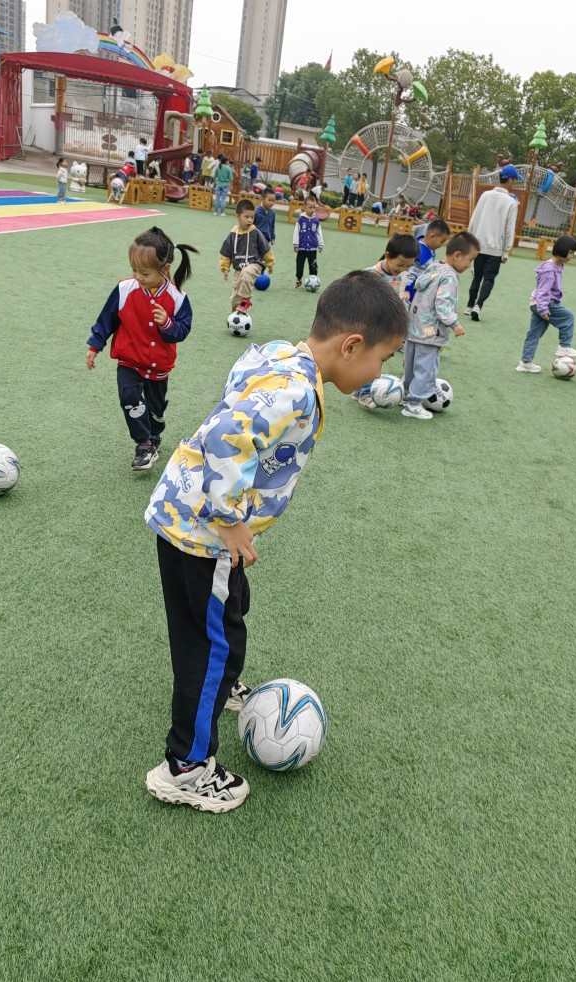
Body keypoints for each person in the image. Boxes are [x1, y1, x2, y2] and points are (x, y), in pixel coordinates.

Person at [143, 271, 409, 812]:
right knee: (209, 647)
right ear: (351, 345)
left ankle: (223, 689)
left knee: (228, 613)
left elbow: (235, 405)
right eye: (383, 359)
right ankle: (186, 769)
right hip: (205, 532)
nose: (380, 373)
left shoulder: (280, 356)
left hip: (185, 514)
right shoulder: (295, 391)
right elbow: (227, 437)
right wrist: (229, 518)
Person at [85, 228, 198, 470]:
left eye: (144, 272)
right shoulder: (124, 289)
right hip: (129, 360)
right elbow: (107, 318)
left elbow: (183, 331)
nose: (137, 276)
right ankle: (143, 445)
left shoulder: (178, 297)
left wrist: (167, 324)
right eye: (133, 269)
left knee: (156, 410)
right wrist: (95, 344)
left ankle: (155, 432)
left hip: (159, 365)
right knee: (129, 399)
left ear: (165, 269)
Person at [401, 232, 479, 420]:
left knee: (410, 366)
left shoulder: (433, 267)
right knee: (427, 369)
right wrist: (454, 323)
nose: (469, 265)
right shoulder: (449, 277)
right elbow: (443, 304)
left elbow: (418, 284)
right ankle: (414, 404)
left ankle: (405, 396)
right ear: (457, 255)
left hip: (414, 328)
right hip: (430, 332)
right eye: (470, 260)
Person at [354, 233, 421, 409]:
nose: (403, 269)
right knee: (373, 360)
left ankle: (358, 390)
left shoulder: (401, 275)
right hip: (369, 327)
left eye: (408, 266)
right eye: (400, 264)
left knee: (373, 359)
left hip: (385, 328)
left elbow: (398, 299)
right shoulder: (371, 275)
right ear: (388, 256)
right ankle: (365, 393)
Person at [516, 235, 576, 373]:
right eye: (570, 252)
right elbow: (543, 291)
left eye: (573, 253)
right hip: (544, 303)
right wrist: (543, 309)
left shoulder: (558, 265)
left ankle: (525, 363)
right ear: (562, 250)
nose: (572, 256)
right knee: (568, 317)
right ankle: (564, 346)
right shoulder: (550, 270)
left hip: (538, 303)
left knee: (534, 334)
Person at [466, 164, 521, 321]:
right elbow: (509, 229)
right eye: (514, 180)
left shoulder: (485, 195)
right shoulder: (511, 202)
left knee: (477, 276)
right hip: (496, 248)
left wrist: (470, 241)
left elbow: (474, 218)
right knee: (489, 279)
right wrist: (506, 251)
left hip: (479, 244)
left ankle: (469, 305)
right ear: (510, 180)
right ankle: (478, 305)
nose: (514, 182)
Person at [220, 198, 275, 314]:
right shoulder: (232, 235)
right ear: (238, 216)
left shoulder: (256, 232)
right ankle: (237, 316)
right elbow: (226, 253)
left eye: (252, 217)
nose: (250, 220)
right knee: (235, 298)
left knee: (246, 275)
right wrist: (225, 268)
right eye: (246, 217)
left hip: (254, 264)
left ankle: (245, 301)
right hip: (238, 269)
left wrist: (269, 263)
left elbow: (265, 248)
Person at [404, 218, 451, 305]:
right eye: (441, 241)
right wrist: (407, 290)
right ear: (432, 236)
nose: (441, 245)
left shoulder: (429, 247)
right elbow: (411, 272)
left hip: (420, 287)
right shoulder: (420, 252)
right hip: (411, 291)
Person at [293, 194, 325, 288]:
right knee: (299, 266)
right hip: (301, 248)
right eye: (310, 207)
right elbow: (296, 232)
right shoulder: (300, 220)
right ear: (304, 207)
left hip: (312, 249)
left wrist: (321, 244)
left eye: (314, 207)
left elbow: (319, 233)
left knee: (313, 267)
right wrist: (296, 244)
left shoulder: (316, 221)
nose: (312, 210)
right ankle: (298, 281)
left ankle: (313, 282)